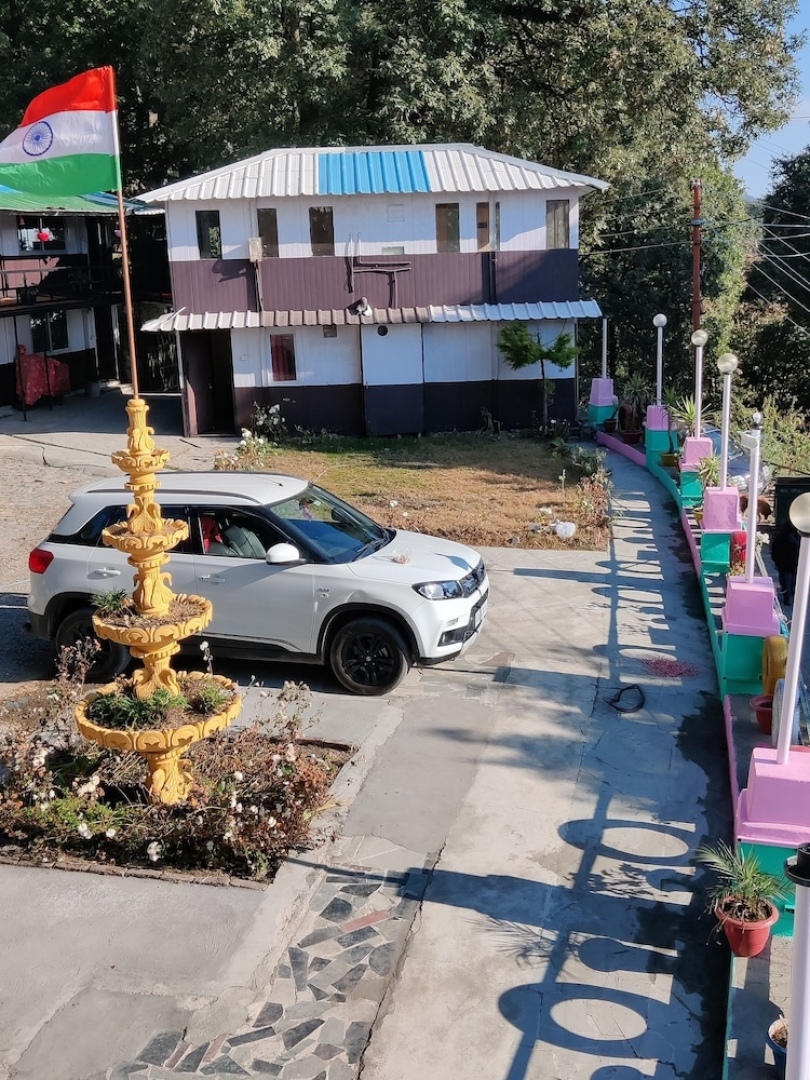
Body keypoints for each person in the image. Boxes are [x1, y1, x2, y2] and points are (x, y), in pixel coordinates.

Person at [771, 520, 800, 606]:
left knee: (784, 580)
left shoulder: (781, 536)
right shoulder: (793, 537)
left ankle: (787, 595)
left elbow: (774, 548)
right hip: (790, 563)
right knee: (788, 580)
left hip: (784, 563)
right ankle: (788, 595)